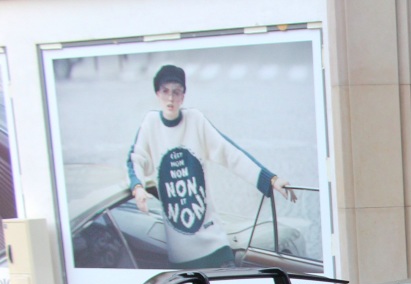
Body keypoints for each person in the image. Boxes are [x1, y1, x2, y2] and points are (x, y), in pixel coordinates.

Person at [126, 64, 296, 269]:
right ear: (157, 93)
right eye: (165, 91)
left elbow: (229, 153)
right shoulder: (151, 123)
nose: (171, 98)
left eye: (177, 92)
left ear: (183, 96)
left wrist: (271, 180)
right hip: (181, 253)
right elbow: (136, 159)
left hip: (214, 242)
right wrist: (138, 188)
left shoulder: (195, 120)